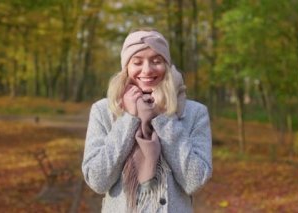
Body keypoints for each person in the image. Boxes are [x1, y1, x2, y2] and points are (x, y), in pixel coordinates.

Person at [82, 28, 212, 213]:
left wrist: (163, 117)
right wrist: (129, 118)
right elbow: (97, 180)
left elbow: (194, 181)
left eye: (156, 61)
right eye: (137, 62)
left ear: (166, 65)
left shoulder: (194, 113)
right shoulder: (104, 111)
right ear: (126, 67)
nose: (147, 69)